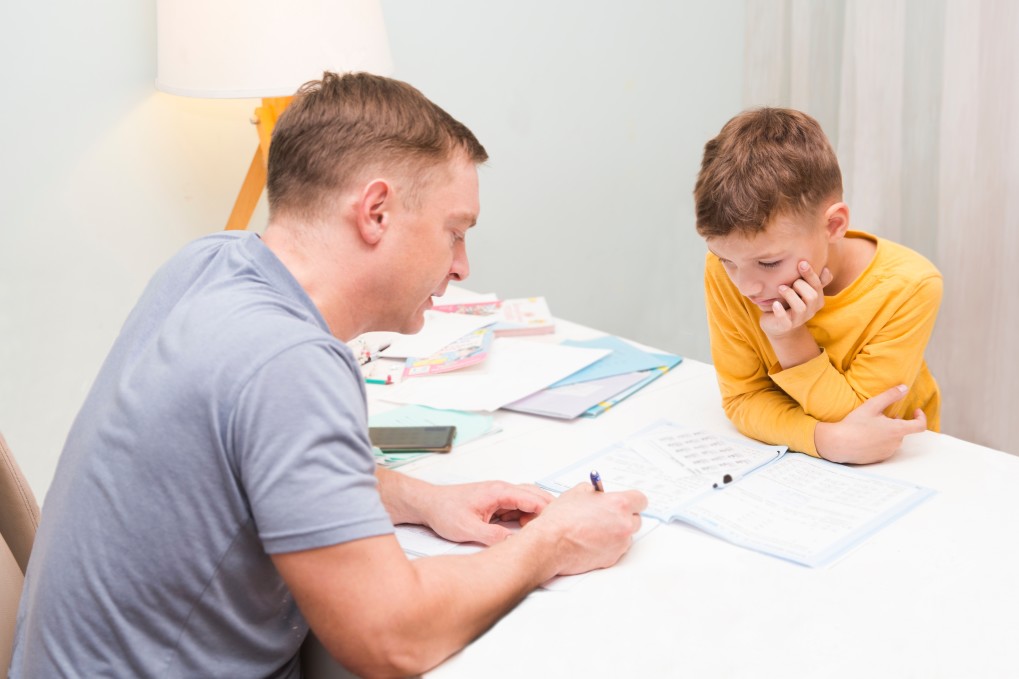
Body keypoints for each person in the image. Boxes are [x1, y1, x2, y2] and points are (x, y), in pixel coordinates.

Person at [10, 72, 647, 678]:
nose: (462, 265)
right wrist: (554, 543)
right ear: (375, 212)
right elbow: (388, 636)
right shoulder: (292, 362)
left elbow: (244, 467)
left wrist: (423, 499)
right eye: (453, 233)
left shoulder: (208, 263)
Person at [692, 107, 942, 465]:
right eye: (725, 260)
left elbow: (862, 425)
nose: (745, 286)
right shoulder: (728, 269)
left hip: (900, 465)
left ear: (834, 224)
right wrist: (821, 440)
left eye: (769, 263)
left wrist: (789, 338)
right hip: (800, 464)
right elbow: (742, 399)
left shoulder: (910, 287)